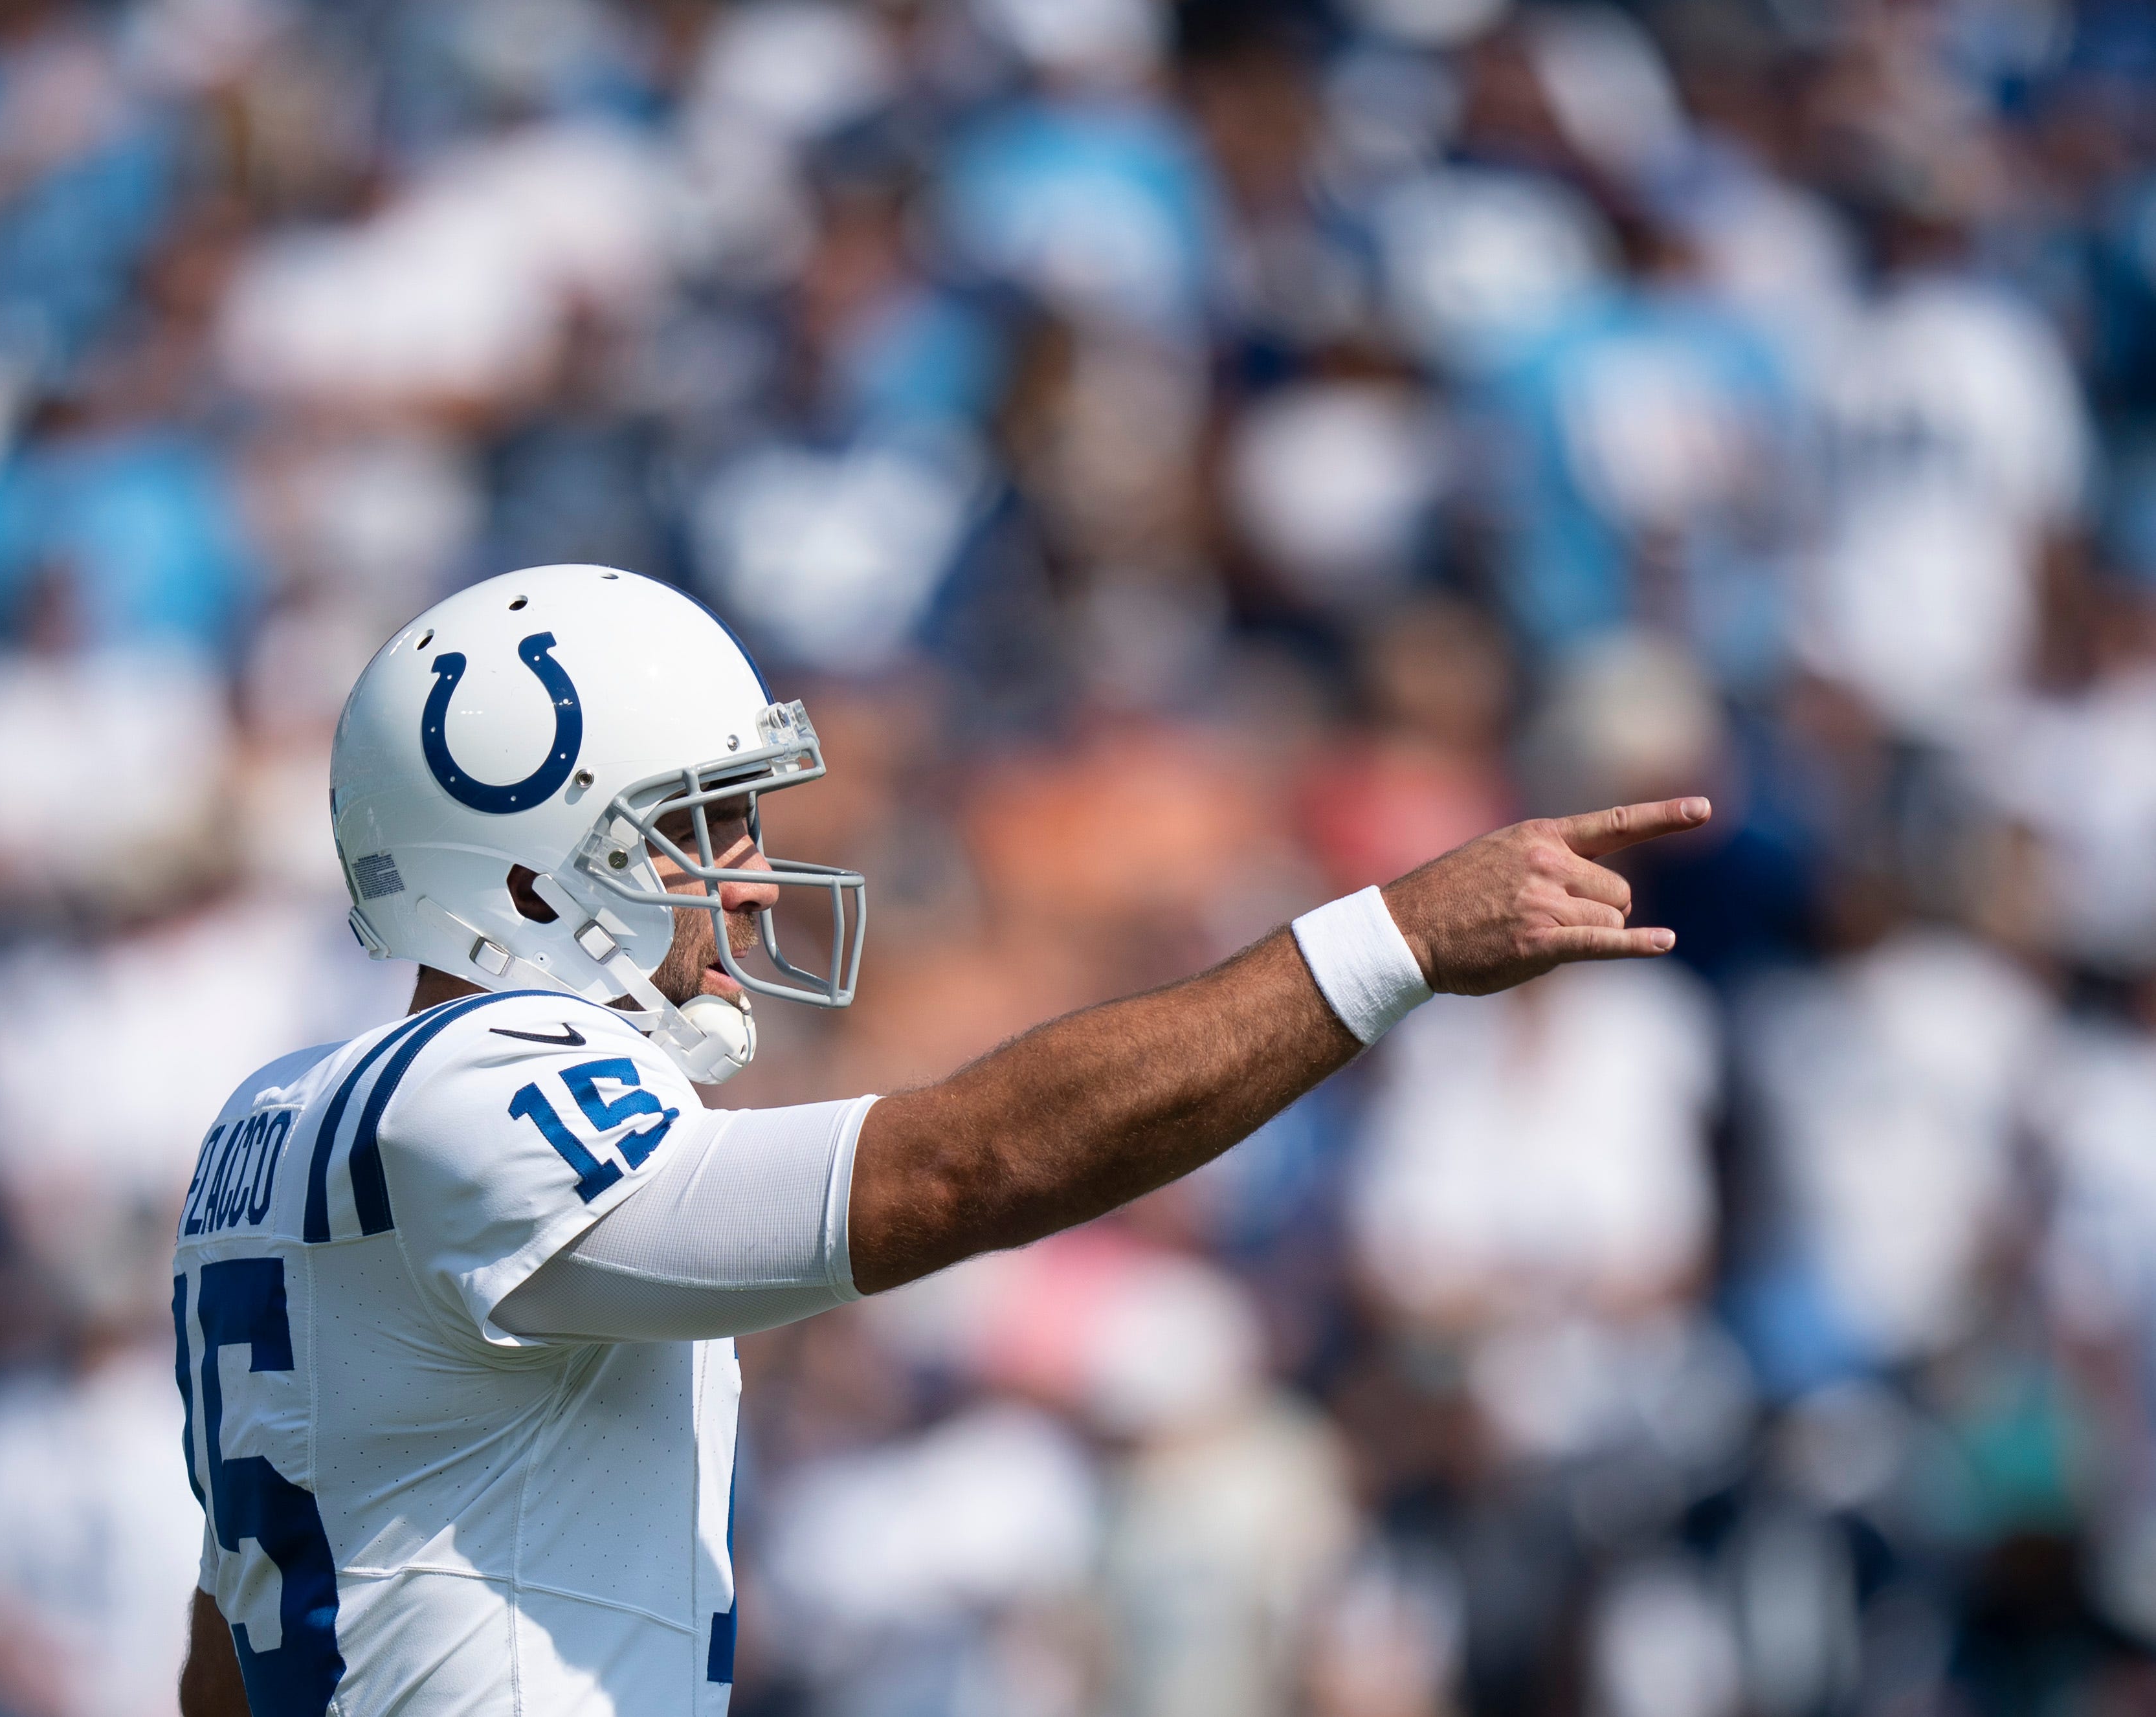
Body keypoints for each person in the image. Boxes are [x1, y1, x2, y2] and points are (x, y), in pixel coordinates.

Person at [171, 563, 1709, 1717]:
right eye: (695, 829)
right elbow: (960, 1168)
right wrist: (1396, 941)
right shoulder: (483, 1090)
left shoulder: (265, 1124)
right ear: (516, 886)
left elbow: (227, 1643)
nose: (753, 882)